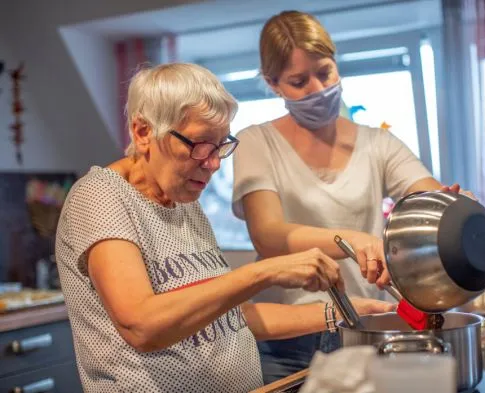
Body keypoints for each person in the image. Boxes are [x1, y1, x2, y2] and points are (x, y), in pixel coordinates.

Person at [55, 63, 393, 393]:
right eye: (200, 144)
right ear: (143, 132)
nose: (214, 163)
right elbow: (141, 324)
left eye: (221, 145)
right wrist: (265, 273)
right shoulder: (101, 195)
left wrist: (341, 312)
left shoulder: (186, 202)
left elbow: (230, 318)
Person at [232, 10, 474, 384]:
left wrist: (450, 207)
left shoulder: (378, 144)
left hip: (371, 326)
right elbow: (268, 234)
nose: (317, 88)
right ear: (273, 83)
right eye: (298, 81)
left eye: (324, 72)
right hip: (292, 338)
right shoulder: (256, 143)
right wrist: (352, 241)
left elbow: (426, 195)